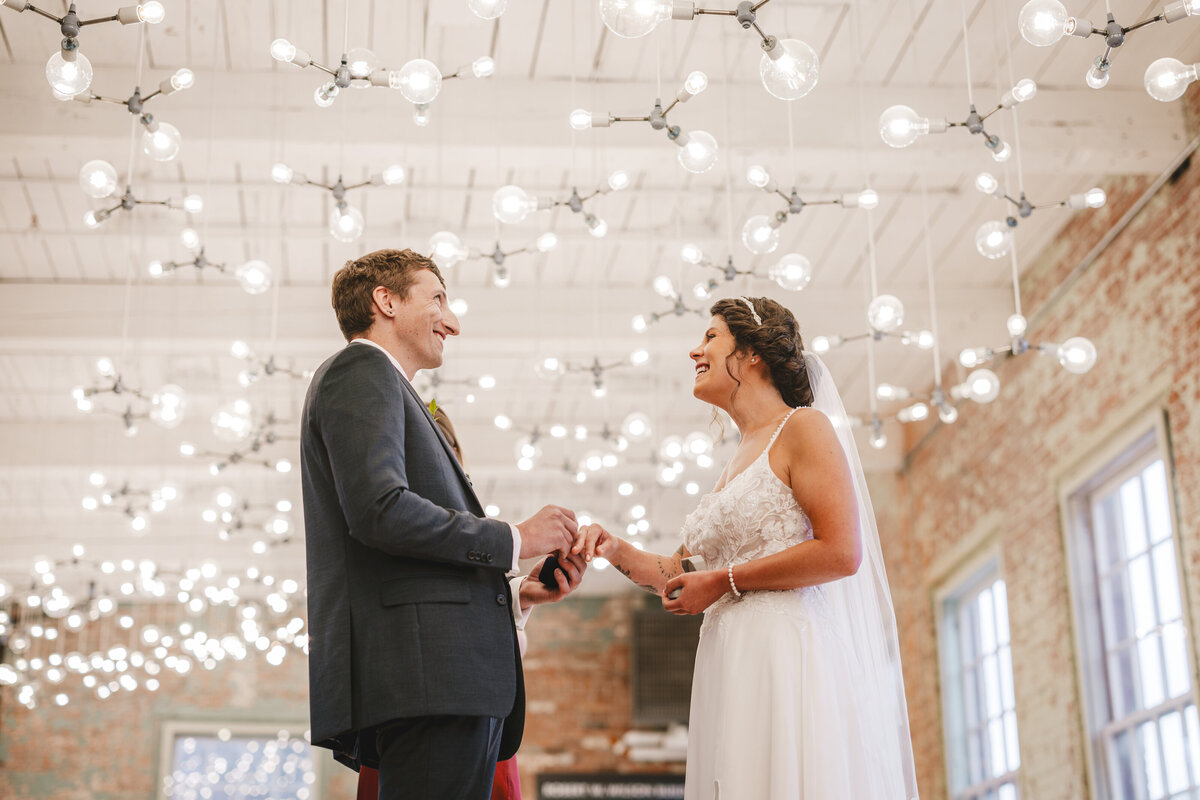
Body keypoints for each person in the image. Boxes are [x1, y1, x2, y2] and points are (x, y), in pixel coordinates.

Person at [574, 296, 919, 799]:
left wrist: (722, 581)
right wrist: (611, 546)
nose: (696, 350)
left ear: (753, 352)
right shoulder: (734, 461)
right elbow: (677, 570)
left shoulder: (803, 427)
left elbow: (842, 551)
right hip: (729, 658)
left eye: (710, 337)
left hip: (784, 652)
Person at [301, 248, 582, 800]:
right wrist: (516, 537)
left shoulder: (389, 385)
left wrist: (514, 594)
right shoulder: (361, 370)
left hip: (441, 677)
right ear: (386, 301)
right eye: (437, 299)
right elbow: (380, 511)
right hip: (430, 678)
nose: (452, 321)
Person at [354, 404, 585, 800]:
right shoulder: (398, 538)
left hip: (485, 731)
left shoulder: (467, 544)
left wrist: (519, 597)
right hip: (428, 725)